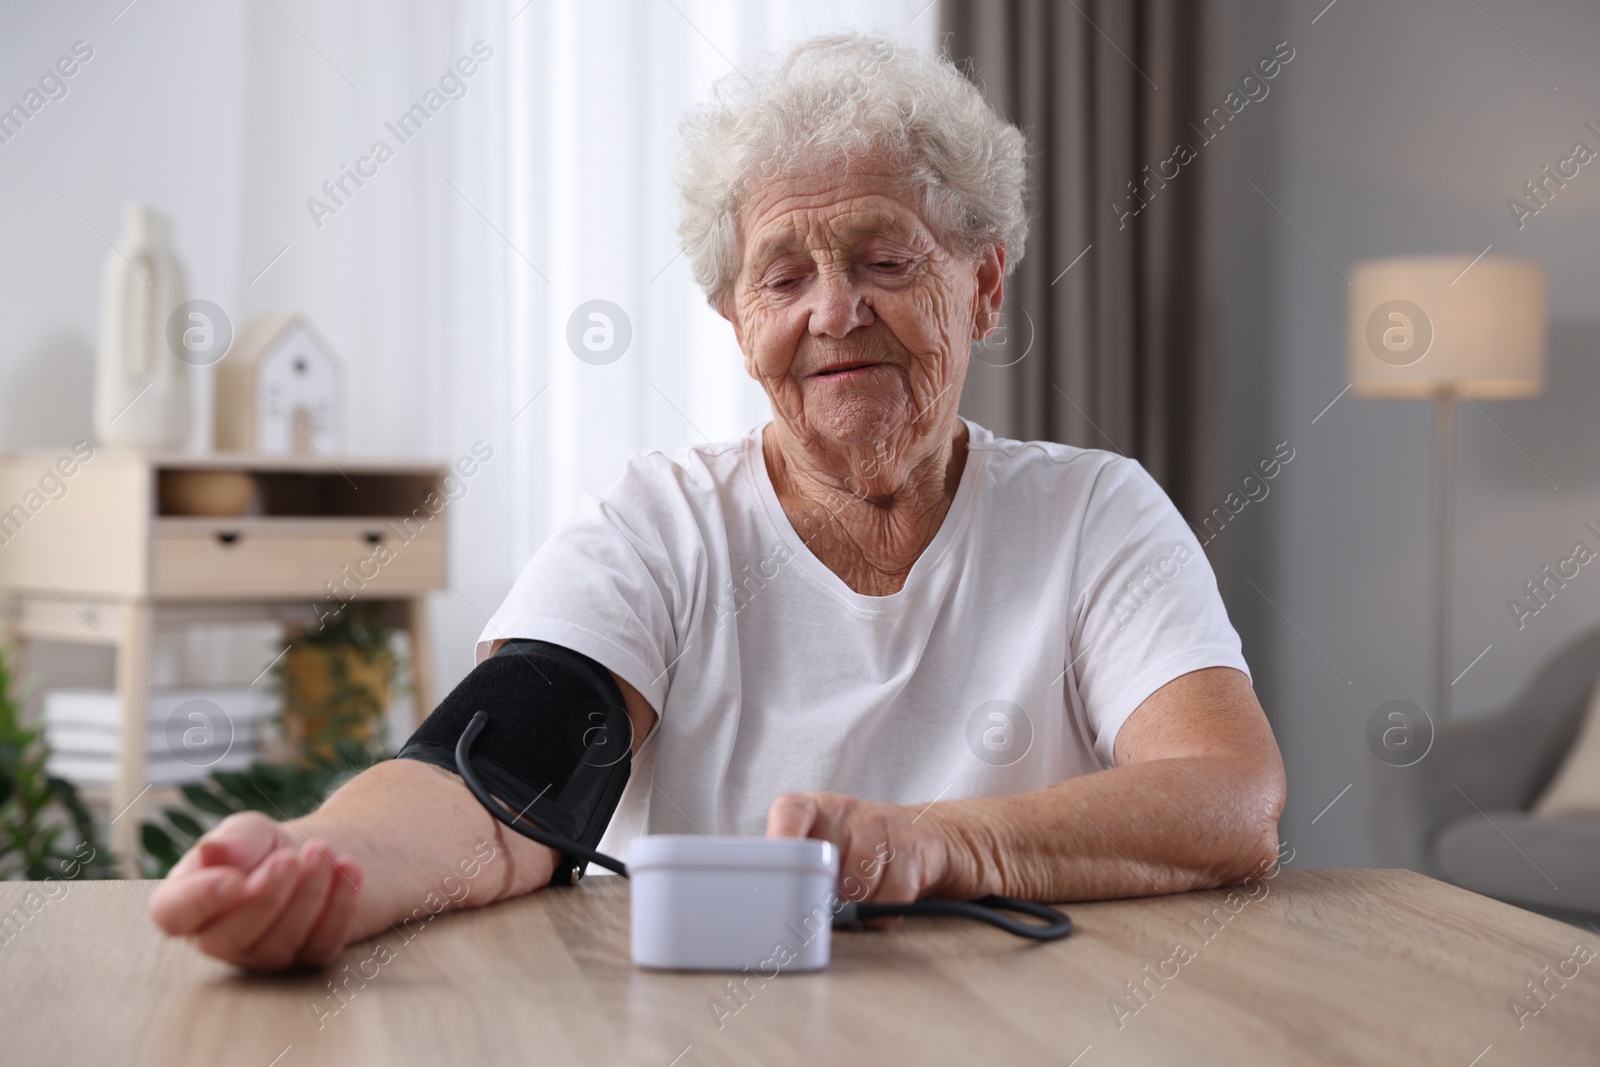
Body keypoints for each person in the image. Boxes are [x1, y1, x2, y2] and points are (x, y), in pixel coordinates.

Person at [149, 32, 1285, 971]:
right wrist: (318, 866)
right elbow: (493, 787)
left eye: (884, 259)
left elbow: (1226, 798)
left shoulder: (1096, 514)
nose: (834, 311)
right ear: (739, 324)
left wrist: (927, 843)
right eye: (783, 276)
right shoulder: (656, 526)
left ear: (981, 283)